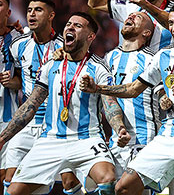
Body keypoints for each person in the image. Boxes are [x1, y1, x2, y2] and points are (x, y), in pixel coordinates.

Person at [80, 4, 174, 195]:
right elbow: (133, 89)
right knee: (123, 188)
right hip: (167, 133)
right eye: (171, 23)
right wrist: (98, 88)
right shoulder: (162, 56)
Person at [0, 12, 129, 195]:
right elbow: (30, 105)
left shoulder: (98, 68)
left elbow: (110, 103)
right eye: (68, 24)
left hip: (87, 138)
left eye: (77, 26)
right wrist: (3, 138)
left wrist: (119, 128)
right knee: (12, 192)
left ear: (90, 36)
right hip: (50, 139)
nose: (69, 27)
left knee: (107, 179)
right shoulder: (50, 66)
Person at [7, 0, 82, 194]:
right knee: (10, 178)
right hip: (27, 122)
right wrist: (11, 81)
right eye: (30, 9)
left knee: (68, 181)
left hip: (55, 124)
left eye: (38, 10)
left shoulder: (65, 47)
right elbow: (19, 78)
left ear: (51, 15)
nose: (31, 14)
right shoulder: (18, 45)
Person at [103, 12, 158, 181]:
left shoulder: (153, 59)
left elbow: (163, 92)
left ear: (147, 33)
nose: (131, 17)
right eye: (130, 15)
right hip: (117, 141)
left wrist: (165, 98)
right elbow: (107, 99)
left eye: (138, 18)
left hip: (145, 140)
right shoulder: (109, 57)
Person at [0, 0, 21, 190]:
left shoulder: (19, 39)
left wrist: (15, 82)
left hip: (7, 116)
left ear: (9, 12)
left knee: (6, 175)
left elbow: (29, 79)